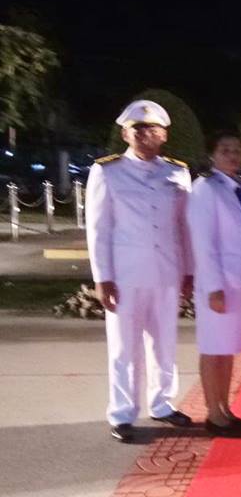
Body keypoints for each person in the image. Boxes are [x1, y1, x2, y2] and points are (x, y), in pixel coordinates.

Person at [86, 99, 194, 443]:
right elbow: (99, 229)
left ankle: (162, 404)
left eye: (153, 129)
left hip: (167, 271)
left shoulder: (177, 172)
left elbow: (184, 227)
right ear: (125, 134)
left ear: (164, 135)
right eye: (138, 129)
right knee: (124, 347)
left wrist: (189, 271)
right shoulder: (107, 171)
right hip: (126, 274)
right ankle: (122, 413)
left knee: (164, 343)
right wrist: (102, 278)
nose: (146, 134)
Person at [187, 133, 241, 436]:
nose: (232, 155)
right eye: (225, 150)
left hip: (239, 281)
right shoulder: (206, 188)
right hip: (218, 282)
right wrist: (213, 287)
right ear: (212, 155)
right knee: (214, 349)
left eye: (237, 150)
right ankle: (214, 413)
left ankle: (225, 408)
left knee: (228, 349)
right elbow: (203, 243)